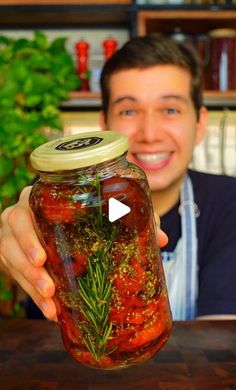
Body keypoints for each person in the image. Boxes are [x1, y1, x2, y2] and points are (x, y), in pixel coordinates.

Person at [0, 34, 236, 321]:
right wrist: (37, 232)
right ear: (105, 126)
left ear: (199, 124)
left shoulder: (229, 203)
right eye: (128, 110)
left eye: (170, 109)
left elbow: (223, 341)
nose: (149, 134)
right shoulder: (70, 209)